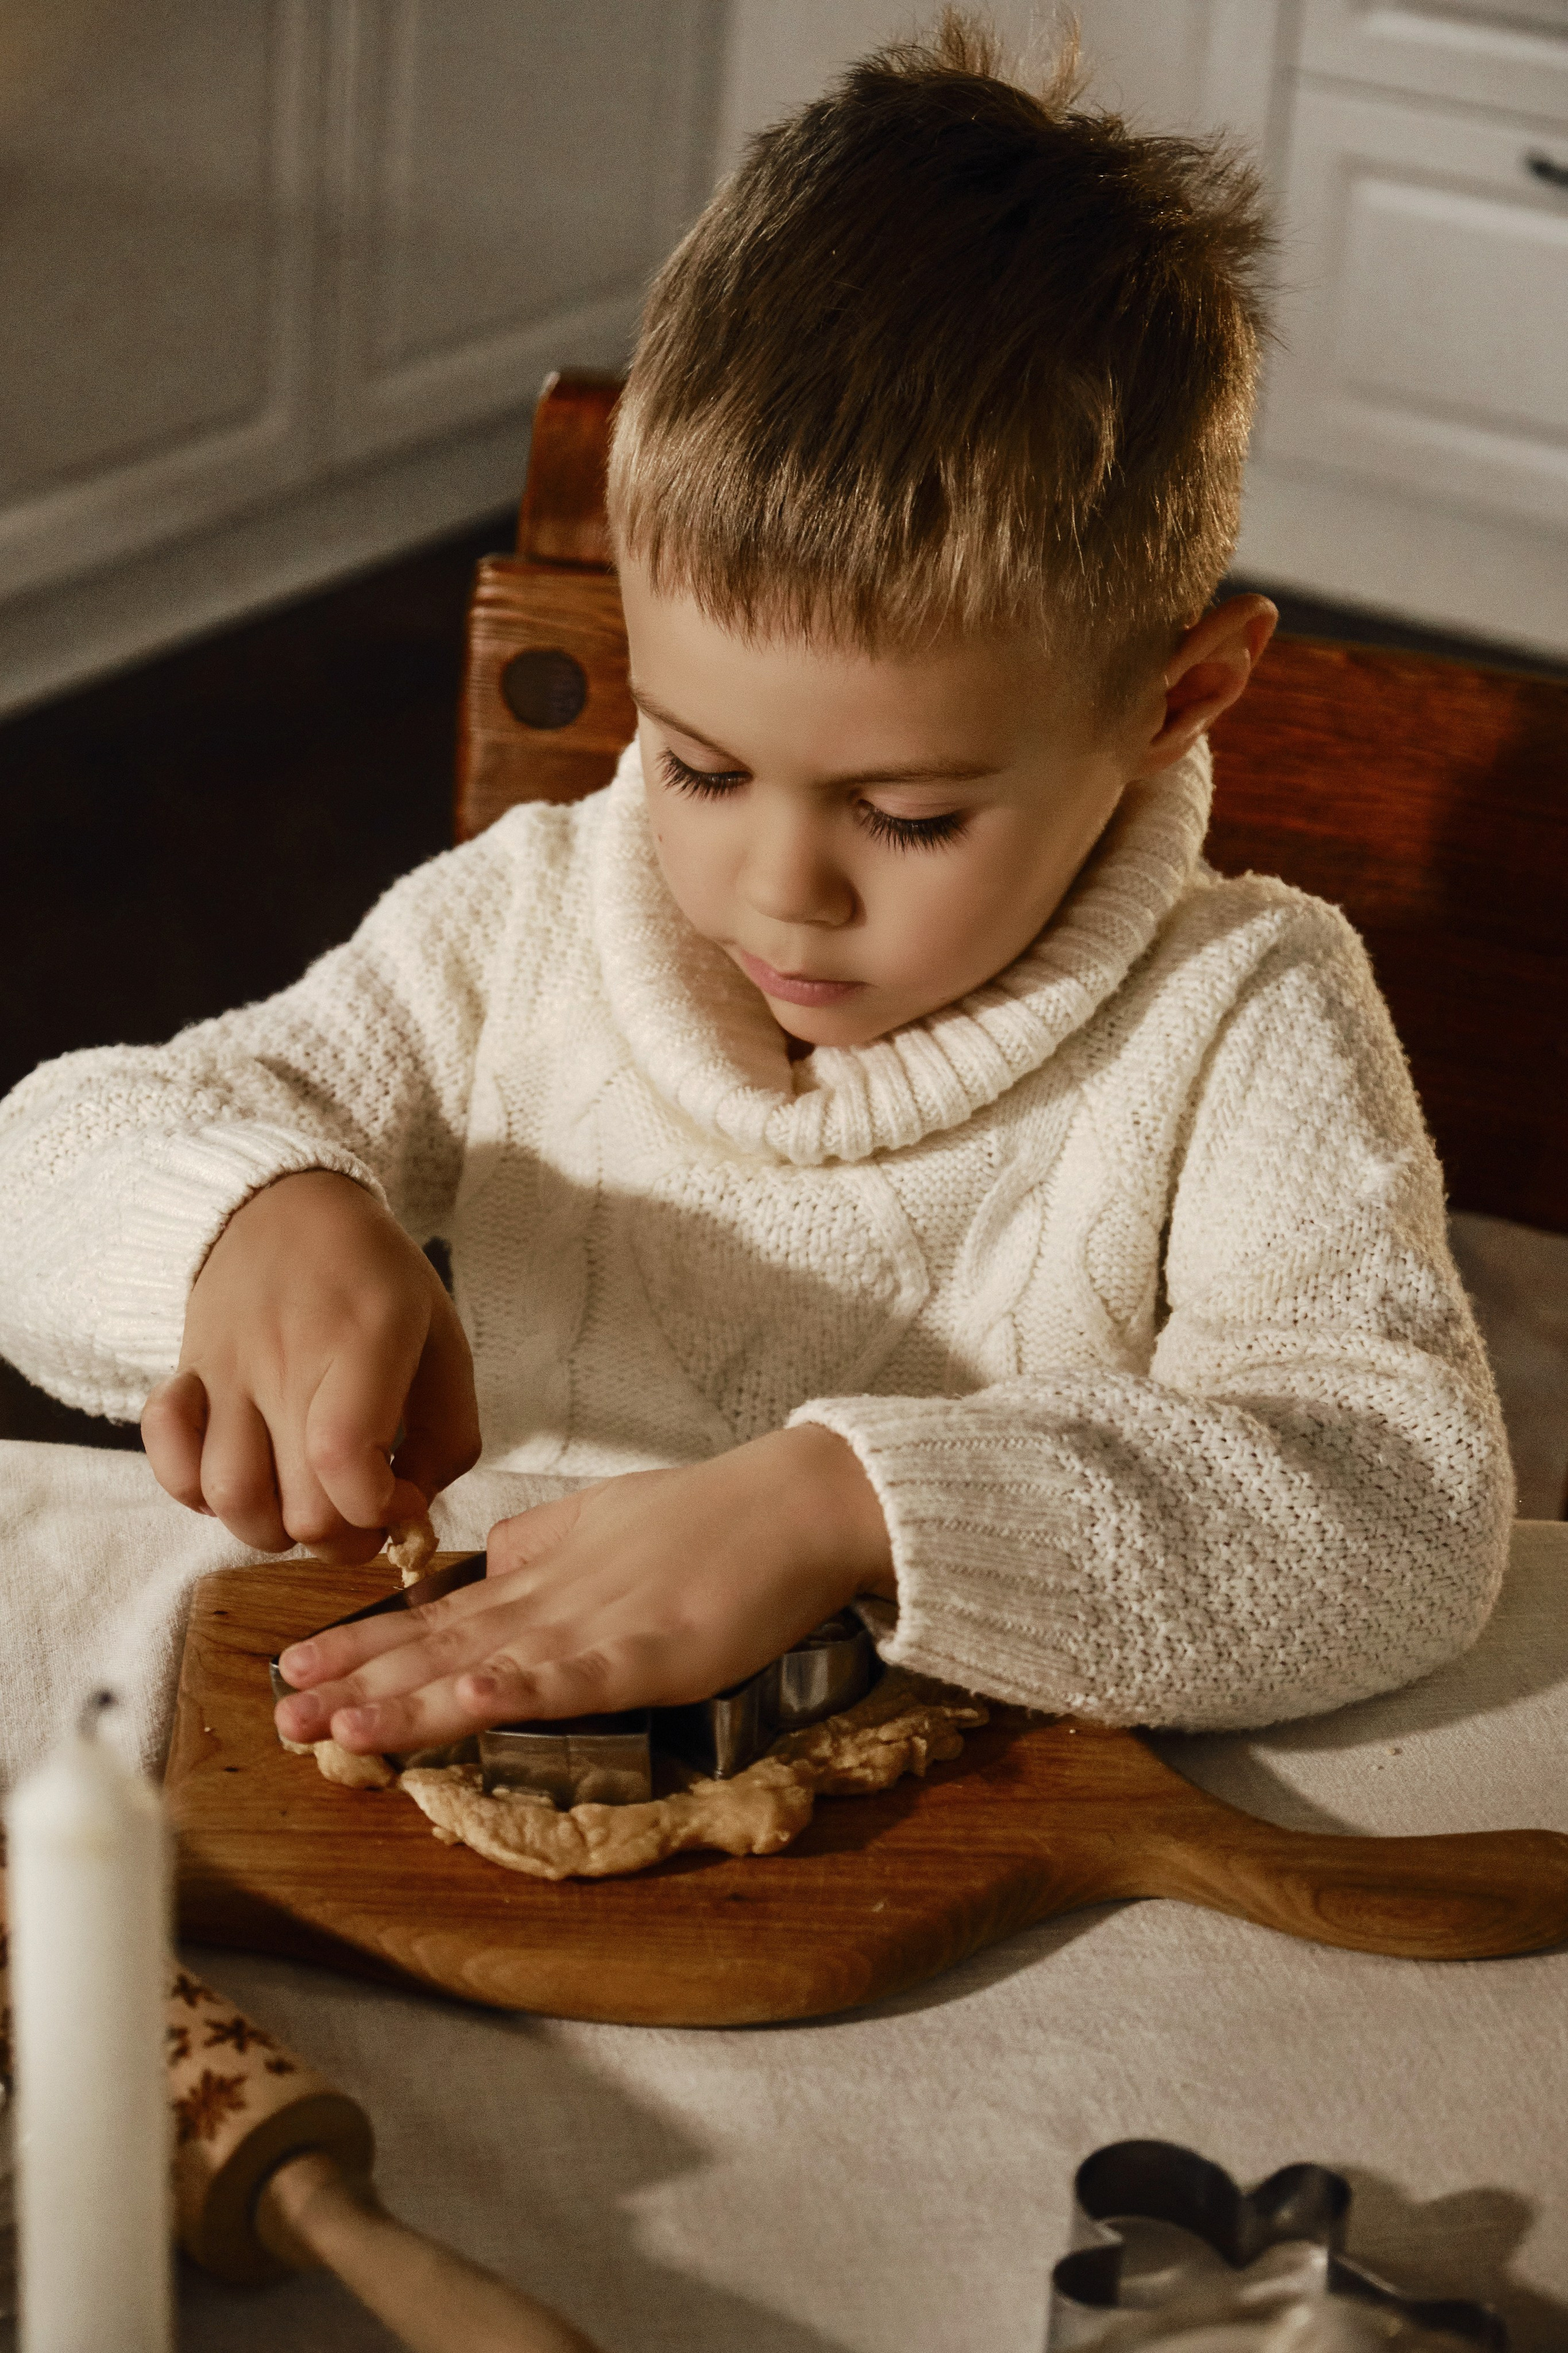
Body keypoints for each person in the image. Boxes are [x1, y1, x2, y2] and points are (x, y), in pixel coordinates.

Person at [0, 15, 1510, 1763]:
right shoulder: (524, 925)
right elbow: (41, 1167)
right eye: (700, 766)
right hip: (499, 1756)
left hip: (971, 1831)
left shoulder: (1243, 1016)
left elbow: (1405, 1508)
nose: (780, 893)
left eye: (912, 816)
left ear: (1177, 700)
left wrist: (844, 1507)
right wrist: (242, 1221)